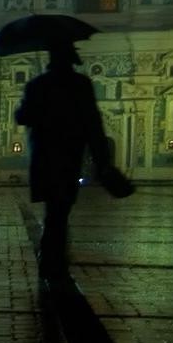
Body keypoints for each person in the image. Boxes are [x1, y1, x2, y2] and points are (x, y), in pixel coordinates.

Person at [15, 43, 116, 279]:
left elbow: (23, 116)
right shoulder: (80, 85)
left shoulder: (37, 85)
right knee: (60, 210)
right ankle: (54, 259)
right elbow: (94, 125)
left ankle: (52, 258)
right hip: (69, 157)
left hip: (44, 159)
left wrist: (28, 107)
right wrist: (103, 162)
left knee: (54, 211)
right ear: (71, 61)